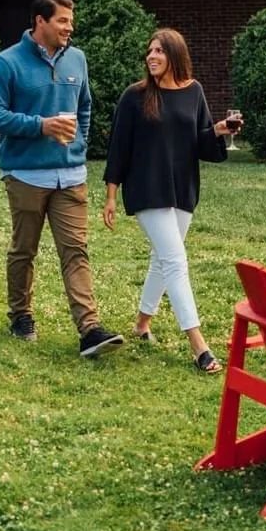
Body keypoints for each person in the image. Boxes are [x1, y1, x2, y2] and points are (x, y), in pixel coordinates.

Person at [0, 0, 123, 359]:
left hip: (70, 175)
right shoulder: (6, 63)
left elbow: (85, 106)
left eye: (70, 22)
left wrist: (80, 145)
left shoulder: (77, 60)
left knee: (76, 251)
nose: (69, 28)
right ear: (40, 22)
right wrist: (40, 126)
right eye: (62, 21)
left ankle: (89, 329)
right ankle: (21, 315)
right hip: (25, 175)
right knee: (24, 250)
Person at [102, 28, 240, 374]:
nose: (152, 56)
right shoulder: (134, 97)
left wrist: (221, 129)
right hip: (146, 189)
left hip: (183, 190)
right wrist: (111, 194)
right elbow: (119, 147)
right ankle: (199, 346)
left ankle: (141, 324)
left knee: (162, 261)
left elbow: (202, 143)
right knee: (176, 261)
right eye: (149, 51)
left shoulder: (194, 92)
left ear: (175, 55)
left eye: (159, 51)